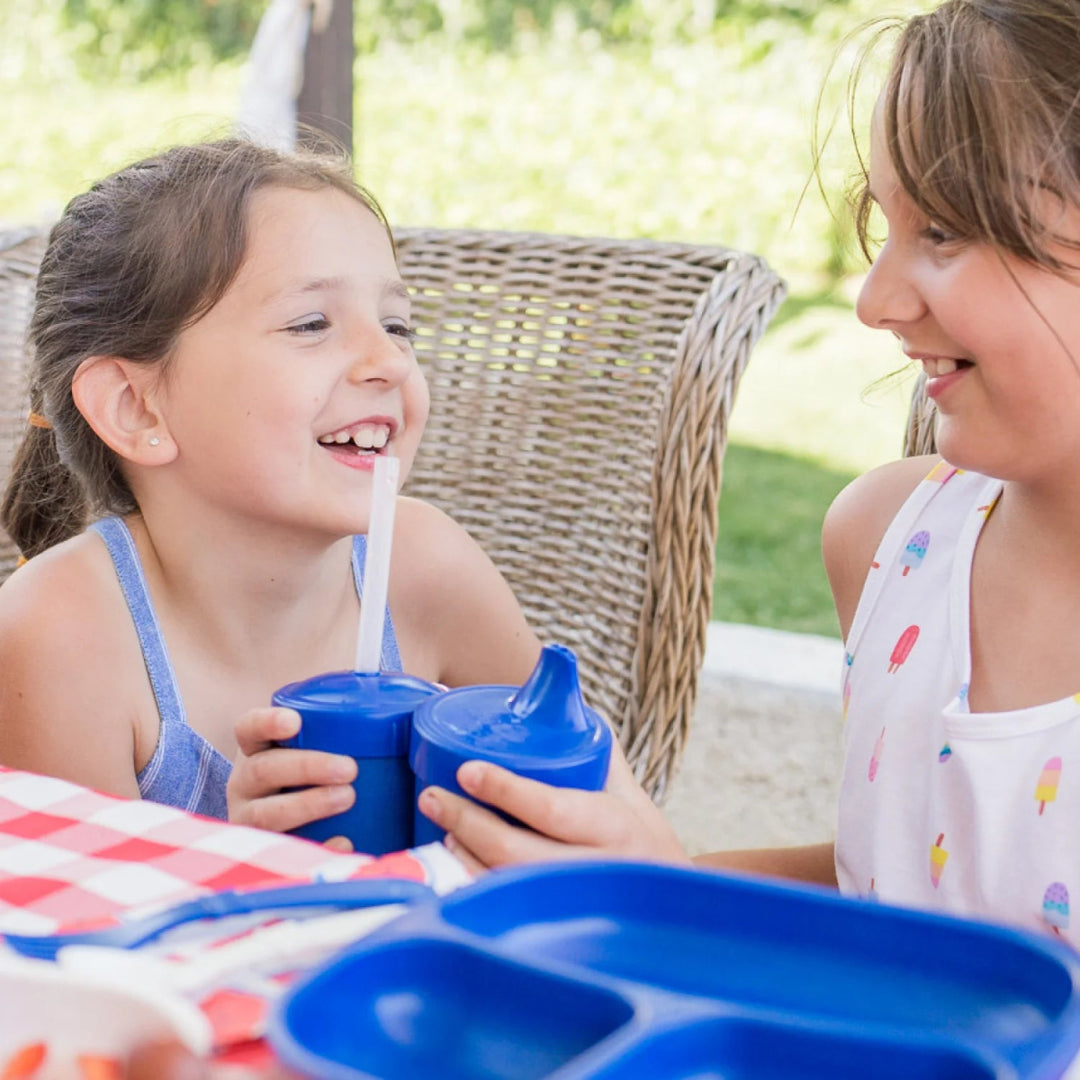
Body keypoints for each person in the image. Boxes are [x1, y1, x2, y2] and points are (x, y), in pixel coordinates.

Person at [417, 0, 1080, 942]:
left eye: (942, 232)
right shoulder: (890, 542)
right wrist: (649, 883)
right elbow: (894, 903)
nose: (875, 300)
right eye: (882, 228)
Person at [0, 138, 541, 841]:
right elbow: (70, 941)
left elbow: (632, 847)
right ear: (136, 408)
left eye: (398, 324)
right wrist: (247, 862)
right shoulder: (59, 638)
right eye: (311, 324)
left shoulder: (428, 566)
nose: (390, 361)